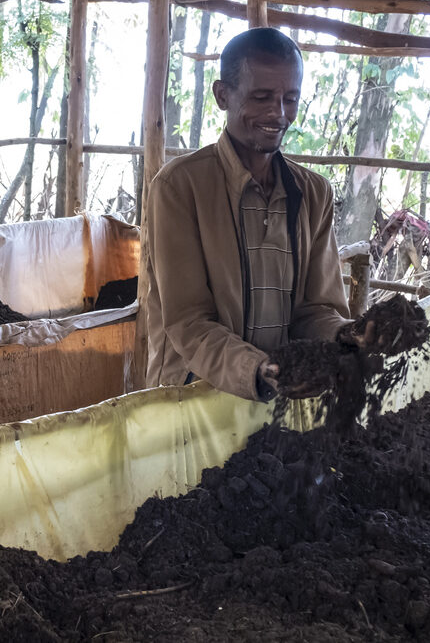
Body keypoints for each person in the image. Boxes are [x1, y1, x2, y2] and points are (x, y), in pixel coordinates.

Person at [140, 27, 353, 401]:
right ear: (222, 95)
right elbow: (189, 322)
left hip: (278, 399)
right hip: (193, 402)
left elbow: (315, 310)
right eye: (261, 97)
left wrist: (347, 335)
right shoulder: (179, 186)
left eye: (290, 98)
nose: (278, 113)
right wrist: (259, 370)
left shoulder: (313, 194)